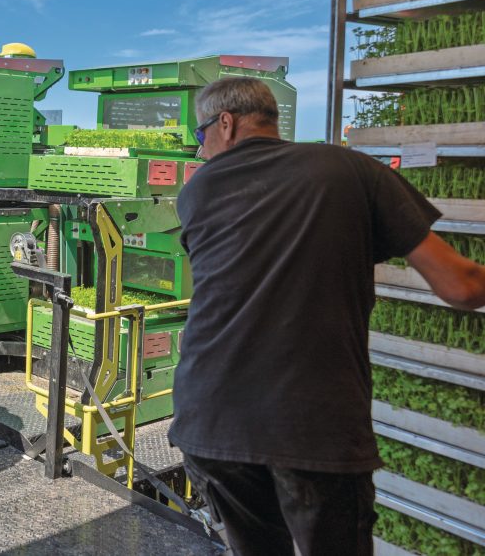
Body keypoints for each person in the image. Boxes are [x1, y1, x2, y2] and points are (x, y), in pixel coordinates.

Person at [170, 76, 485, 555]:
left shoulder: (198, 191)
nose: (200, 150)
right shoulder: (352, 169)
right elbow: (461, 286)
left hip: (211, 418)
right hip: (313, 426)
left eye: (200, 136)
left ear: (227, 124)